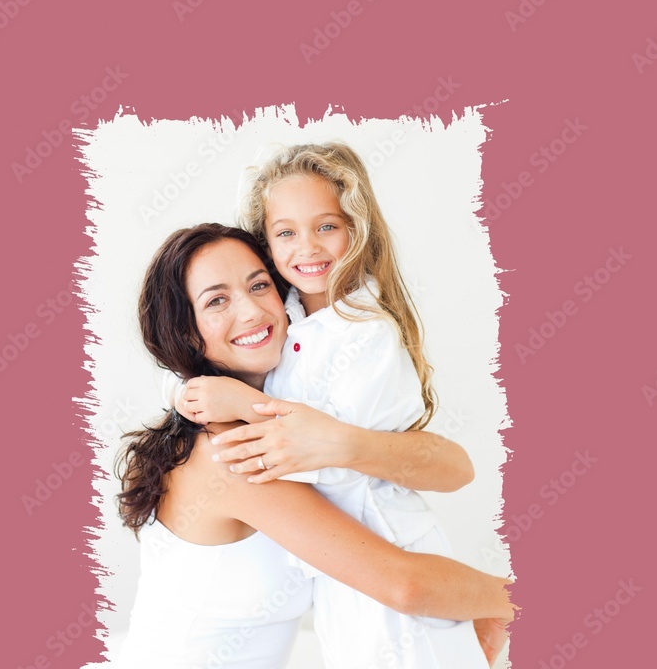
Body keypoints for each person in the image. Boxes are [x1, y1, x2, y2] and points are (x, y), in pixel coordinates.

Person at [119, 223, 513, 668]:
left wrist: (341, 441)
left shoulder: (278, 414)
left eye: (259, 285)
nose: (250, 311)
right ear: (185, 332)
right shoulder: (227, 451)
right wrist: (513, 602)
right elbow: (405, 586)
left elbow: (456, 468)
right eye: (217, 300)